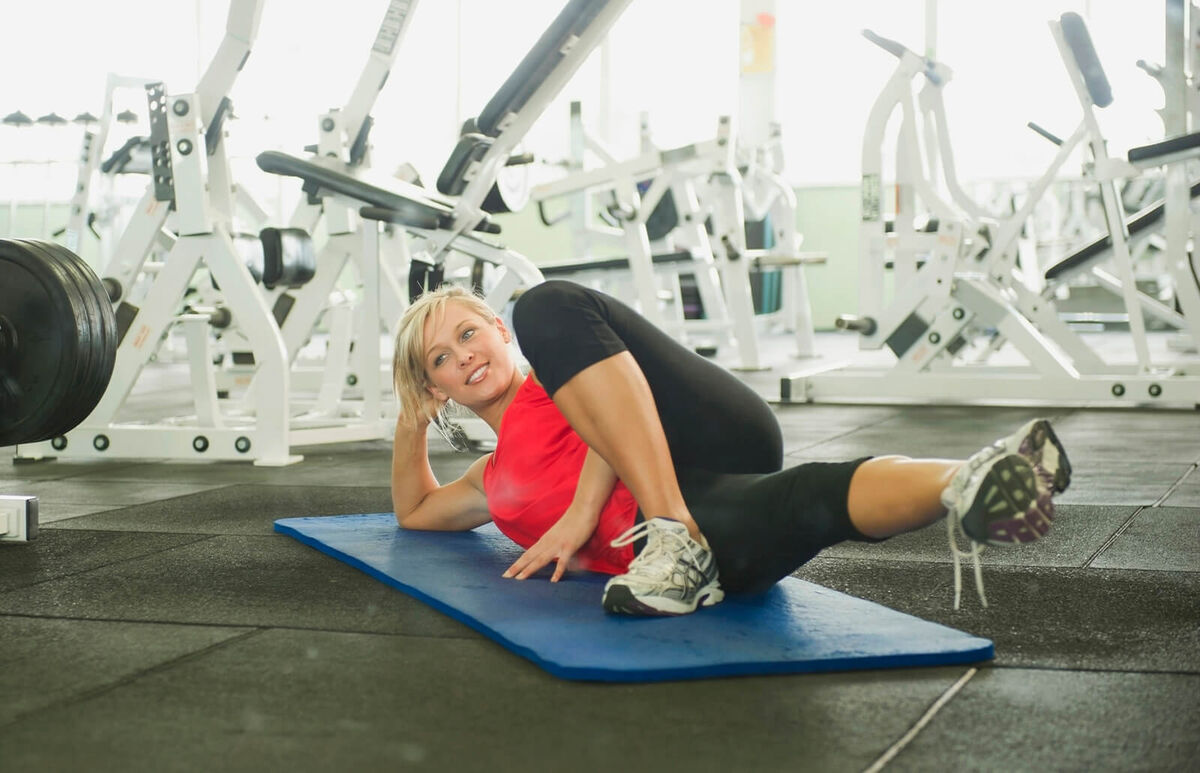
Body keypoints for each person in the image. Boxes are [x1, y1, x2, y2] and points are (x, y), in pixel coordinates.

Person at [389, 280, 1071, 615]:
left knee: (546, 304)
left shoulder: (566, 382)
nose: (464, 356)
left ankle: (672, 536)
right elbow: (417, 510)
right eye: (441, 360)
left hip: (704, 438)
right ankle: (979, 475)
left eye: (470, 333)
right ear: (439, 385)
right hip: (706, 523)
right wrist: (411, 415)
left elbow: (619, 416)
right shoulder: (491, 474)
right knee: (806, 499)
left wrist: (580, 513)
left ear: (497, 334)